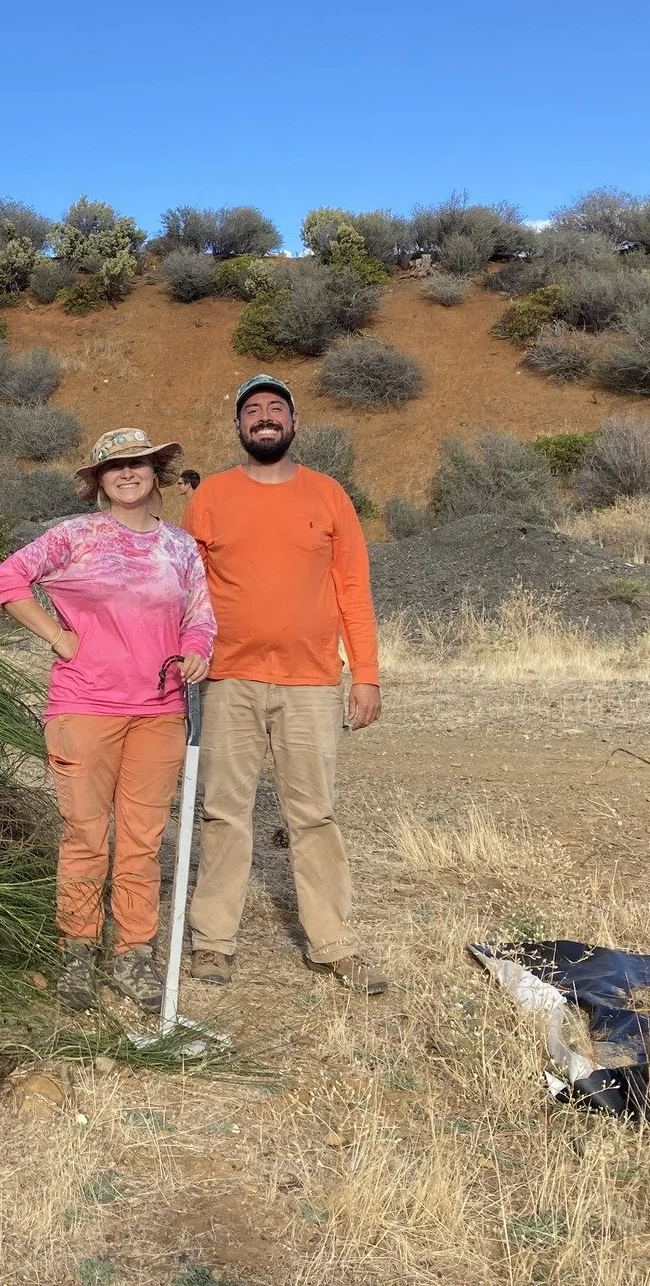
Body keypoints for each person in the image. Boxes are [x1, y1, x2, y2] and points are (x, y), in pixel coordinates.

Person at [0, 427, 216, 1011]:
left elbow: (200, 617)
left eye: (138, 462)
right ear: (99, 481)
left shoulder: (181, 549)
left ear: (155, 471)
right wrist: (59, 638)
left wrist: (195, 651)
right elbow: (6, 580)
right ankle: (78, 951)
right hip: (84, 709)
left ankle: (132, 954)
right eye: (114, 467)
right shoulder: (74, 536)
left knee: (141, 840)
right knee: (86, 835)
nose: (128, 473)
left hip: (160, 714)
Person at [180, 375, 387, 995]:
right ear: (240, 427)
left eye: (276, 409)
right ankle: (213, 943)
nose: (264, 418)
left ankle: (332, 945)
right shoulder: (212, 495)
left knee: (314, 815)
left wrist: (367, 675)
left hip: (312, 682)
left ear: (294, 425)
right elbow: (187, 588)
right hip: (228, 680)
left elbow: (353, 589)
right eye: (252, 411)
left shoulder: (329, 496)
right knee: (223, 814)